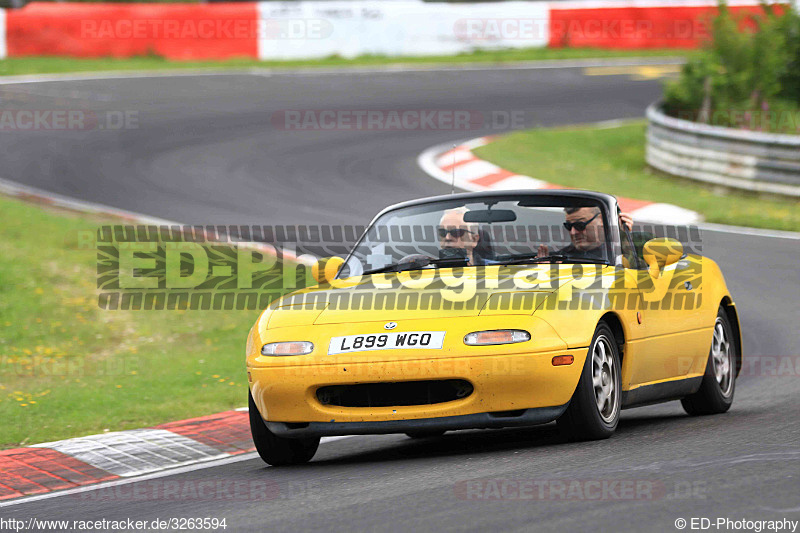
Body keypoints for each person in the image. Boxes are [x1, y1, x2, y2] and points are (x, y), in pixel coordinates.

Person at [537, 207, 633, 260]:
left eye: (580, 225)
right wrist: (545, 273)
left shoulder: (620, 251)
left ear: (602, 220)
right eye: (569, 226)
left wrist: (625, 237)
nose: (573, 232)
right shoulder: (560, 258)